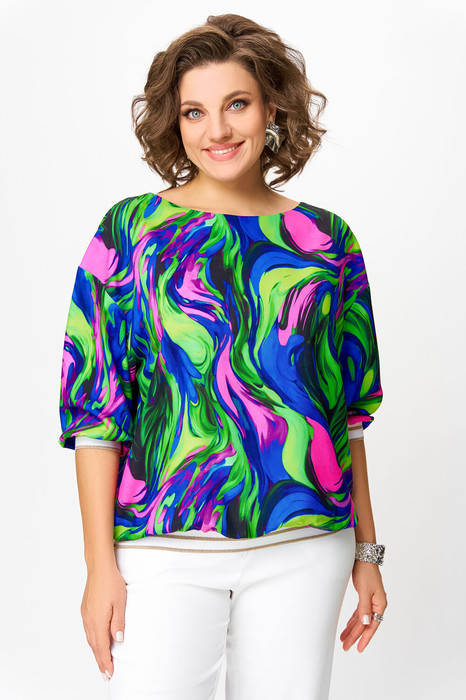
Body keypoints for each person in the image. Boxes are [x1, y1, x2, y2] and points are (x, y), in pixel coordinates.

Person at [58, 13, 388, 700]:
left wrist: (367, 553)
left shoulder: (328, 242)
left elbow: (349, 417)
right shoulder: (130, 232)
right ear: (174, 123)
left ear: (272, 109)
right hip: (161, 550)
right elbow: (96, 416)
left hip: (304, 547)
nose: (217, 130)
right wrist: (99, 567)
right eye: (194, 112)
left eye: (237, 104)